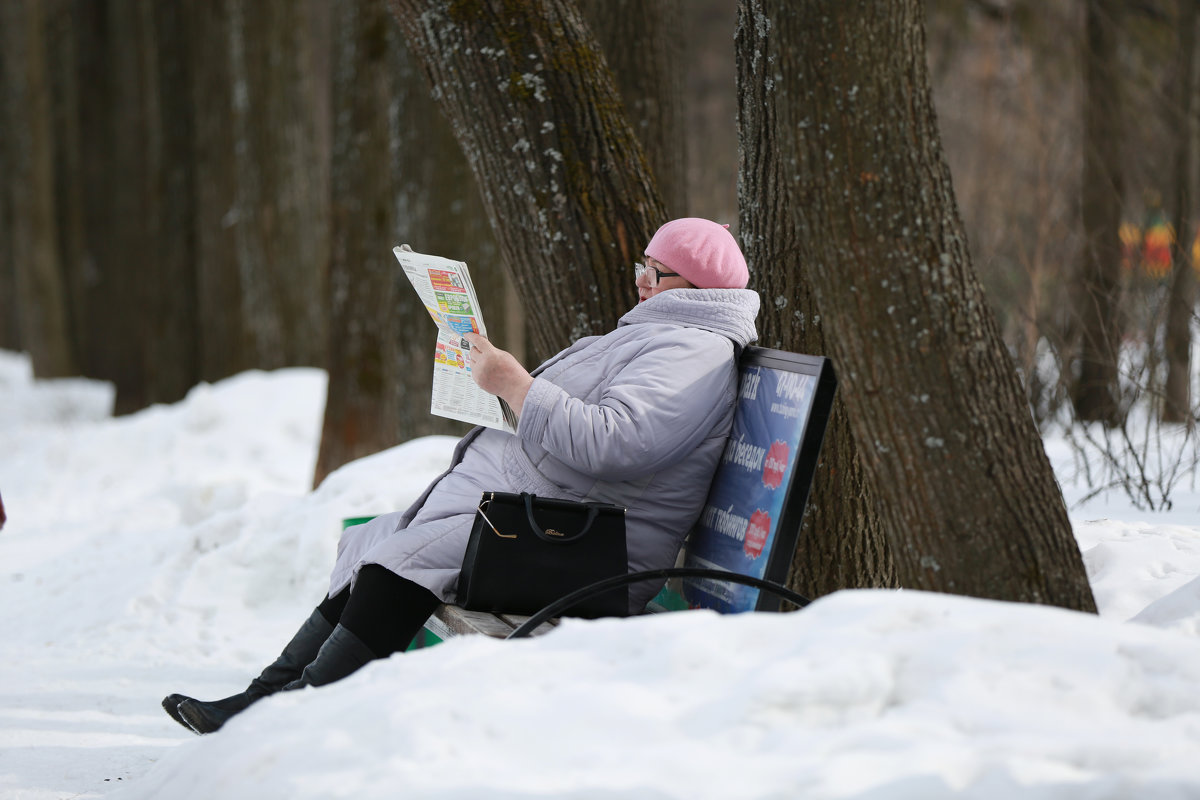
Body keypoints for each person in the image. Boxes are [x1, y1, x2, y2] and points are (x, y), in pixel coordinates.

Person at [163, 217, 760, 734]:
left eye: (655, 273)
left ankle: (296, 712)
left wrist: (516, 386)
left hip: (591, 554)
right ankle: (265, 697)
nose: (640, 281)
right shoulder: (665, 335)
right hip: (562, 525)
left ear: (697, 289)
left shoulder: (693, 351)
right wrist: (497, 386)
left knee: (407, 559)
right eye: (642, 266)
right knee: (381, 539)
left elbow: (615, 442)